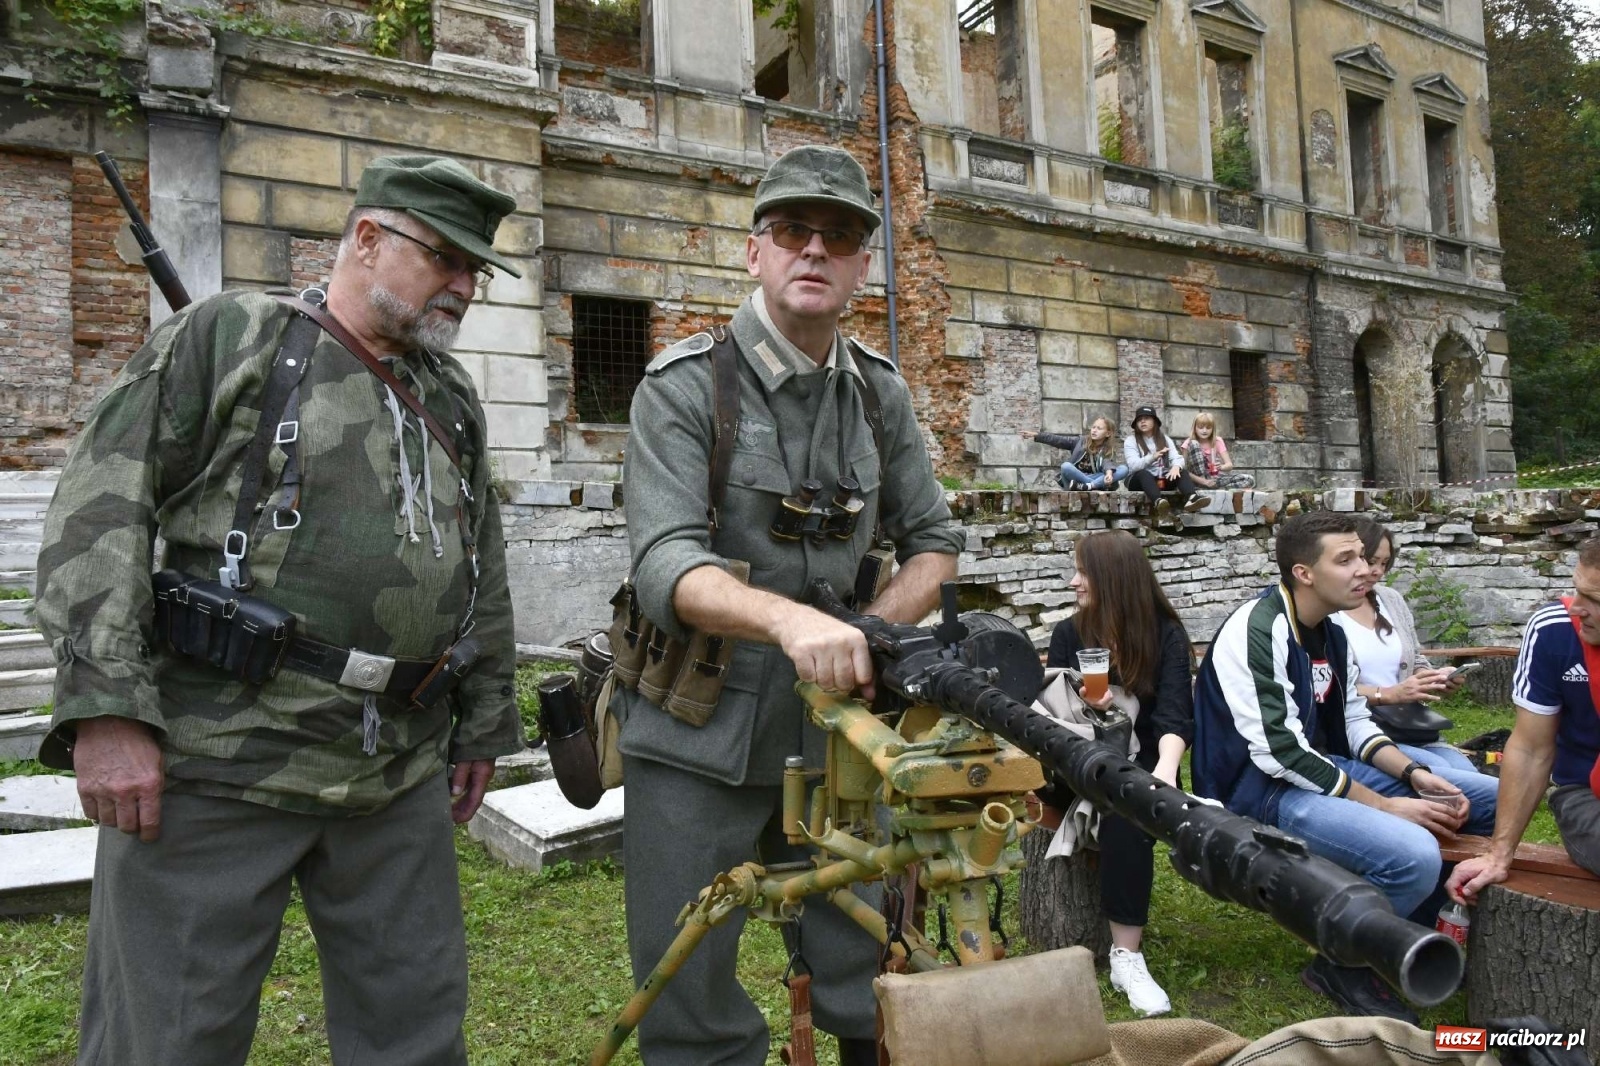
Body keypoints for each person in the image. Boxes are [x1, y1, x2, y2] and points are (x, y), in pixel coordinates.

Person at [31, 156, 525, 1066]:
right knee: (167, 1038)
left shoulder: (450, 399)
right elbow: (99, 512)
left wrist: (484, 720)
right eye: (445, 259)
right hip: (220, 762)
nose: (463, 287)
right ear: (367, 238)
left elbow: (480, 564)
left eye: (475, 271)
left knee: (414, 1035)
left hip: (394, 767)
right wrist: (105, 710)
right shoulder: (230, 339)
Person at [615, 145, 965, 1066]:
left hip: (838, 736)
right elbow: (664, 562)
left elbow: (935, 543)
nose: (815, 249)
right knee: (686, 988)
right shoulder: (686, 387)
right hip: (698, 730)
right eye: (793, 231)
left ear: (860, 265)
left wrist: (866, 627)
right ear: (755, 252)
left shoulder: (881, 396)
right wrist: (788, 618)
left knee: (867, 967)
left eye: (840, 235)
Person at [1191, 511, 1498, 1022]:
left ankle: (1410, 933)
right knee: (1413, 854)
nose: (1367, 570)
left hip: (1318, 766)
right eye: (1347, 559)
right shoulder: (1259, 628)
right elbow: (1279, 752)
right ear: (1303, 573)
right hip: (1259, 788)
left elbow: (1355, 720)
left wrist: (1413, 777)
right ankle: (1344, 965)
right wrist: (1386, 806)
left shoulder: (1331, 631)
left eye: (1364, 556)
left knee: (1482, 798)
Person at [1040, 530, 1192, 1016]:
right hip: (1077, 758)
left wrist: (1166, 771)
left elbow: (1173, 716)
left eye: (1082, 572)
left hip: (1143, 762)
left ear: (1112, 577)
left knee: (1130, 802)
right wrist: (1094, 712)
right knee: (1119, 792)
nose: (1073, 581)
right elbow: (1054, 710)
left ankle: (1126, 956)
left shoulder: (1163, 634)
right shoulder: (1070, 633)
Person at [1446, 537, 1600, 904]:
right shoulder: (1555, 629)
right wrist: (1499, 854)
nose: (1576, 608)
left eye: (1594, 599)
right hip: (1586, 793)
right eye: (1577, 590)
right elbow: (1531, 749)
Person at [1332, 518, 1477, 773]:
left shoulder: (1390, 599)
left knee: (1465, 772)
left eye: (1384, 563)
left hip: (1409, 724)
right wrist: (1389, 694)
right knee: (1447, 776)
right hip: (1360, 728)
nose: (1376, 571)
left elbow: (1416, 658)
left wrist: (1431, 679)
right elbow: (1329, 689)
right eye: (1371, 560)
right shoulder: (1329, 612)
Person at [1122, 405, 1198, 519]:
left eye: (1146, 418)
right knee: (1144, 474)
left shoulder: (1165, 439)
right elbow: (1133, 466)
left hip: (1161, 479)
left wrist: (1176, 466)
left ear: (1154, 421)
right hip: (1140, 481)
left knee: (1182, 472)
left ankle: (1192, 498)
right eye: (1139, 419)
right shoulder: (1131, 441)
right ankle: (1158, 502)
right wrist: (1152, 457)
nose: (1142, 421)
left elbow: (1177, 457)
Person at [1025, 416, 1127, 490]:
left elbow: (1107, 463)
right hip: (1074, 482)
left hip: (1092, 479)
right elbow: (1057, 440)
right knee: (1066, 466)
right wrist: (1037, 435)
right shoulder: (1080, 441)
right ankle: (1093, 485)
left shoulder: (1107, 449)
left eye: (1099, 428)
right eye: (1093, 427)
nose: (1094, 430)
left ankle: (1088, 486)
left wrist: (1109, 473)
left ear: (1108, 433)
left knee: (1124, 469)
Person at [1182, 411, 1255, 490]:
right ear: (1195, 428)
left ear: (1213, 429)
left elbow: (1229, 465)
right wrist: (1203, 481)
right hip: (1197, 479)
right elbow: (1183, 470)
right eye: (1201, 427)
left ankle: (1216, 487)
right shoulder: (1188, 443)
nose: (1204, 431)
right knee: (1194, 443)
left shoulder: (1217, 441)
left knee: (1249, 479)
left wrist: (1221, 467)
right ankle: (1204, 485)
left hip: (1214, 479)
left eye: (1208, 428)